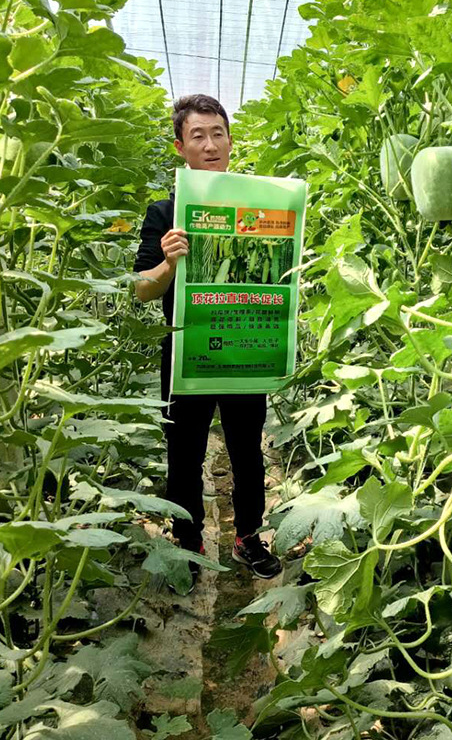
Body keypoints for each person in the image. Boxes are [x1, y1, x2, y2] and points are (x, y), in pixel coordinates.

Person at [133, 94, 281, 589]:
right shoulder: (164, 212)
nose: (210, 144)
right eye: (198, 135)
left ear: (230, 141)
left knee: (247, 450)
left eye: (218, 133)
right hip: (185, 350)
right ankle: (189, 537)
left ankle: (248, 536)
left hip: (244, 346)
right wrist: (169, 263)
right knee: (185, 451)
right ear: (181, 146)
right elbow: (140, 289)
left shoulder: (259, 203)